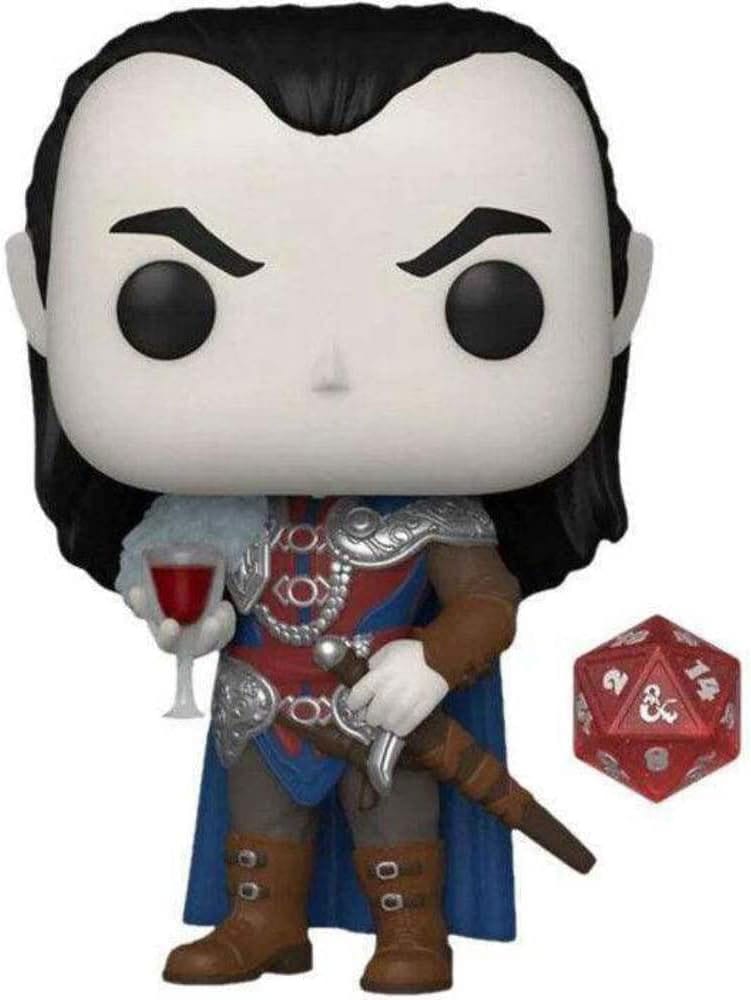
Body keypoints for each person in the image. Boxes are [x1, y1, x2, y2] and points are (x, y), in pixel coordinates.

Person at [6, 5, 651, 992]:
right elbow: (186, 584)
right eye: (172, 301)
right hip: (260, 694)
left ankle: (411, 932)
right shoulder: (214, 508)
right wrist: (191, 619)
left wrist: (433, 658)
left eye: (488, 301)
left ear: (616, 296)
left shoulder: (438, 512)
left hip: (386, 703)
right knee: (260, 816)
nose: (331, 371)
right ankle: (262, 922)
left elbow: (485, 602)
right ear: (38, 296)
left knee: (393, 818)